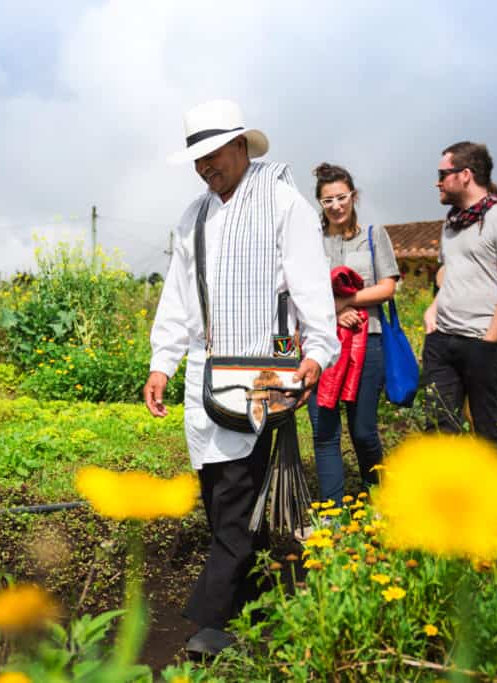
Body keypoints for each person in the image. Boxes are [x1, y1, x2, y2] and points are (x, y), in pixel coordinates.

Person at [143, 99, 338, 656]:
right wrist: (163, 363)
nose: (206, 167)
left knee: (235, 497)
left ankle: (209, 625)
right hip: (205, 376)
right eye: (197, 159)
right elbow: (178, 300)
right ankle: (252, 611)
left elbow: (309, 286)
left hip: (261, 374)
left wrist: (317, 351)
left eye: (213, 155)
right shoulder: (194, 217)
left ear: (241, 146)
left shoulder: (283, 203)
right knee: (222, 495)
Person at [421, 141, 497, 452]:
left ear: (465, 174)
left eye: (443, 174)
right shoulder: (451, 224)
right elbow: (452, 273)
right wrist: (433, 310)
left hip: (484, 342)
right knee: (438, 432)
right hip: (442, 341)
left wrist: (489, 343)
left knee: (488, 436)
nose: (437, 181)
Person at [308, 163, 398, 505]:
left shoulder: (374, 236)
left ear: (353, 196)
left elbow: (387, 286)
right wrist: (334, 311)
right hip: (321, 344)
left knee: (363, 431)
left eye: (341, 197)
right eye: (327, 200)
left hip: (368, 342)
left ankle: (380, 498)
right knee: (325, 432)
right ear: (320, 202)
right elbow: (300, 292)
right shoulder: (311, 242)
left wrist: (348, 300)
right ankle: (331, 513)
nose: (335, 206)